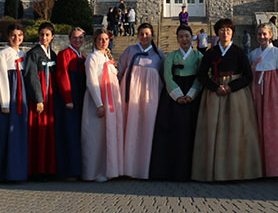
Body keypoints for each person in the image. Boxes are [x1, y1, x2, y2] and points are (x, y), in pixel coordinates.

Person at [191, 18, 262, 182]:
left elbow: (248, 76)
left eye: (228, 30)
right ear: (217, 33)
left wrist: (231, 87)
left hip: (235, 95)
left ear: (232, 33)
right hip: (215, 93)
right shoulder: (210, 53)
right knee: (213, 131)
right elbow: (202, 75)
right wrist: (215, 87)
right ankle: (213, 170)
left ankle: (236, 171)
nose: (225, 33)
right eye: (222, 30)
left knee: (236, 131)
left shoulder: (239, 52)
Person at [150, 25, 202, 181]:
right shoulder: (171, 56)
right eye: (181, 37)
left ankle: (192, 172)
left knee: (191, 131)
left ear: (192, 37)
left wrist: (192, 94)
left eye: (187, 36)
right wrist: (178, 95)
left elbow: (201, 77)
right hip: (174, 96)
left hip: (193, 94)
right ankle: (171, 171)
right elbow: (167, 76)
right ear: (177, 39)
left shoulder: (199, 56)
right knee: (173, 131)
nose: (184, 39)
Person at [118, 22, 164, 179]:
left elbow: (164, 76)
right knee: (130, 128)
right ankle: (128, 168)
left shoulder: (159, 55)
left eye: (147, 34)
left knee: (148, 129)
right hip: (130, 96)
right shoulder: (130, 51)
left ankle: (146, 168)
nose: (145, 37)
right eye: (142, 34)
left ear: (152, 35)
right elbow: (120, 71)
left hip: (151, 97)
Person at [0, 22, 28, 182]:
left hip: (21, 96)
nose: (16, 38)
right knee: (4, 134)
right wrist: (5, 103)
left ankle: (18, 172)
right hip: (9, 96)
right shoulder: (3, 54)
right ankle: (3, 173)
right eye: (13, 35)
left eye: (19, 35)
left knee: (18, 135)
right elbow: (1, 78)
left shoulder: (24, 55)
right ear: (8, 36)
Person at [82, 29, 124, 182]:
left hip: (111, 100)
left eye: (106, 39)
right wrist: (99, 103)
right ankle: (93, 171)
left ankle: (109, 169)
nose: (103, 42)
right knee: (96, 137)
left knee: (109, 136)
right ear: (95, 41)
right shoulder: (92, 58)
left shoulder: (108, 58)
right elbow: (92, 82)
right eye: (100, 39)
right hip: (98, 101)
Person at [249, 22, 278, 178]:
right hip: (258, 93)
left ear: (271, 35)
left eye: (265, 34)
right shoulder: (253, 54)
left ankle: (274, 168)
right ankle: (258, 168)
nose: (262, 37)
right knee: (257, 129)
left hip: (271, 94)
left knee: (271, 130)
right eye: (259, 34)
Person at [24, 22, 58, 176]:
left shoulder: (53, 54)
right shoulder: (34, 53)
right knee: (38, 131)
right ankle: (36, 169)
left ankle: (48, 169)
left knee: (49, 131)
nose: (44, 37)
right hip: (40, 97)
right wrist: (38, 98)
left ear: (52, 37)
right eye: (42, 34)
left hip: (50, 97)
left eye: (47, 35)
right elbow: (31, 76)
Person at [54, 26, 87, 178]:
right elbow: (62, 76)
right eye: (75, 37)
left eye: (80, 38)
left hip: (80, 99)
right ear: (70, 39)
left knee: (79, 134)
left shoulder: (83, 57)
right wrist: (68, 100)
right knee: (69, 134)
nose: (77, 40)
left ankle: (79, 168)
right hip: (70, 100)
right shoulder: (64, 54)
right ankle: (69, 170)